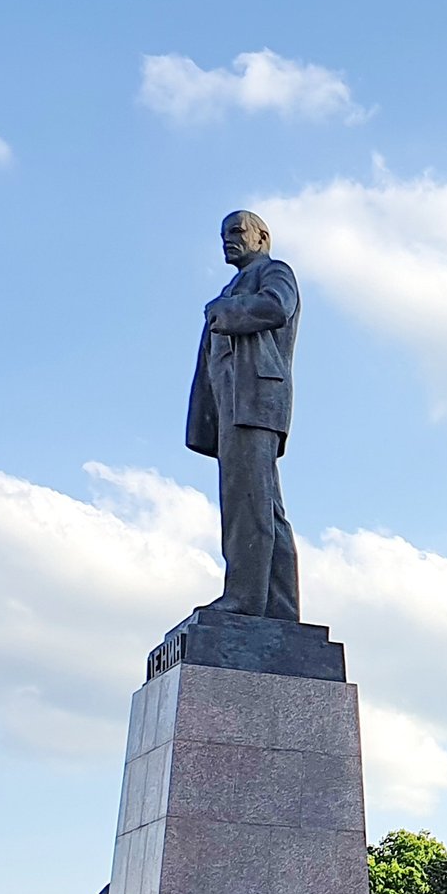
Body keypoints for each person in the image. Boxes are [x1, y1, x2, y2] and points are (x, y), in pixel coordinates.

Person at [186, 210, 301, 620]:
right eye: (223, 234)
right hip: (231, 405)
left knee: (249, 501)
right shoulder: (231, 285)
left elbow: (277, 308)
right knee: (263, 505)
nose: (228, 240)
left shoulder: (274, 272)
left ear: (262, 237)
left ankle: (245, 600)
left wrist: (225, 312)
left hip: (254, 400)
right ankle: (280, 609)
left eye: (236, 231)